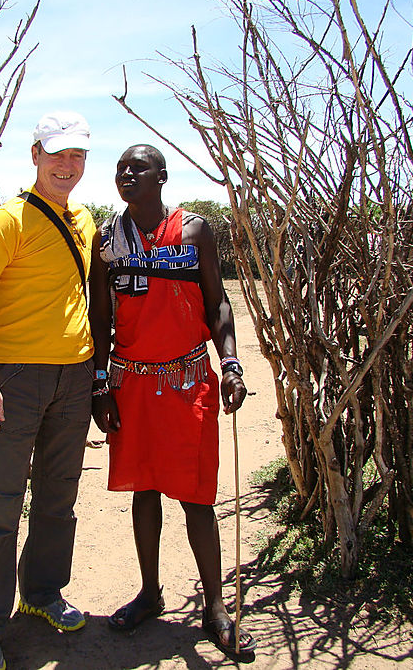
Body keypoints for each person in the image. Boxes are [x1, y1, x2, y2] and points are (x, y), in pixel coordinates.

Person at [89, 144, 256, 658]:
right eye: (119, 169)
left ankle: (214, 609)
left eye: (136, 168)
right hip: (132, 386)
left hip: (189, 385)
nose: (125, 175)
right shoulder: (107, 242)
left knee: (197, 499)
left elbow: (217, 300)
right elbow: (100, 317)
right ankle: (150, 593)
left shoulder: (195, 232)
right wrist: (100, 385)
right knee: (145, 492)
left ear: (162, 176)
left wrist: (229, 363)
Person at [0, 111, 96, 670]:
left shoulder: (84, 221)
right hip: (15, 377)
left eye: (77, 155)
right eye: (57, 153)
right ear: (35, 155)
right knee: (1, 503)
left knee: (59, 497)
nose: (67, 165)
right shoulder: (7, 220)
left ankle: (40, 595)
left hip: (75, 376)